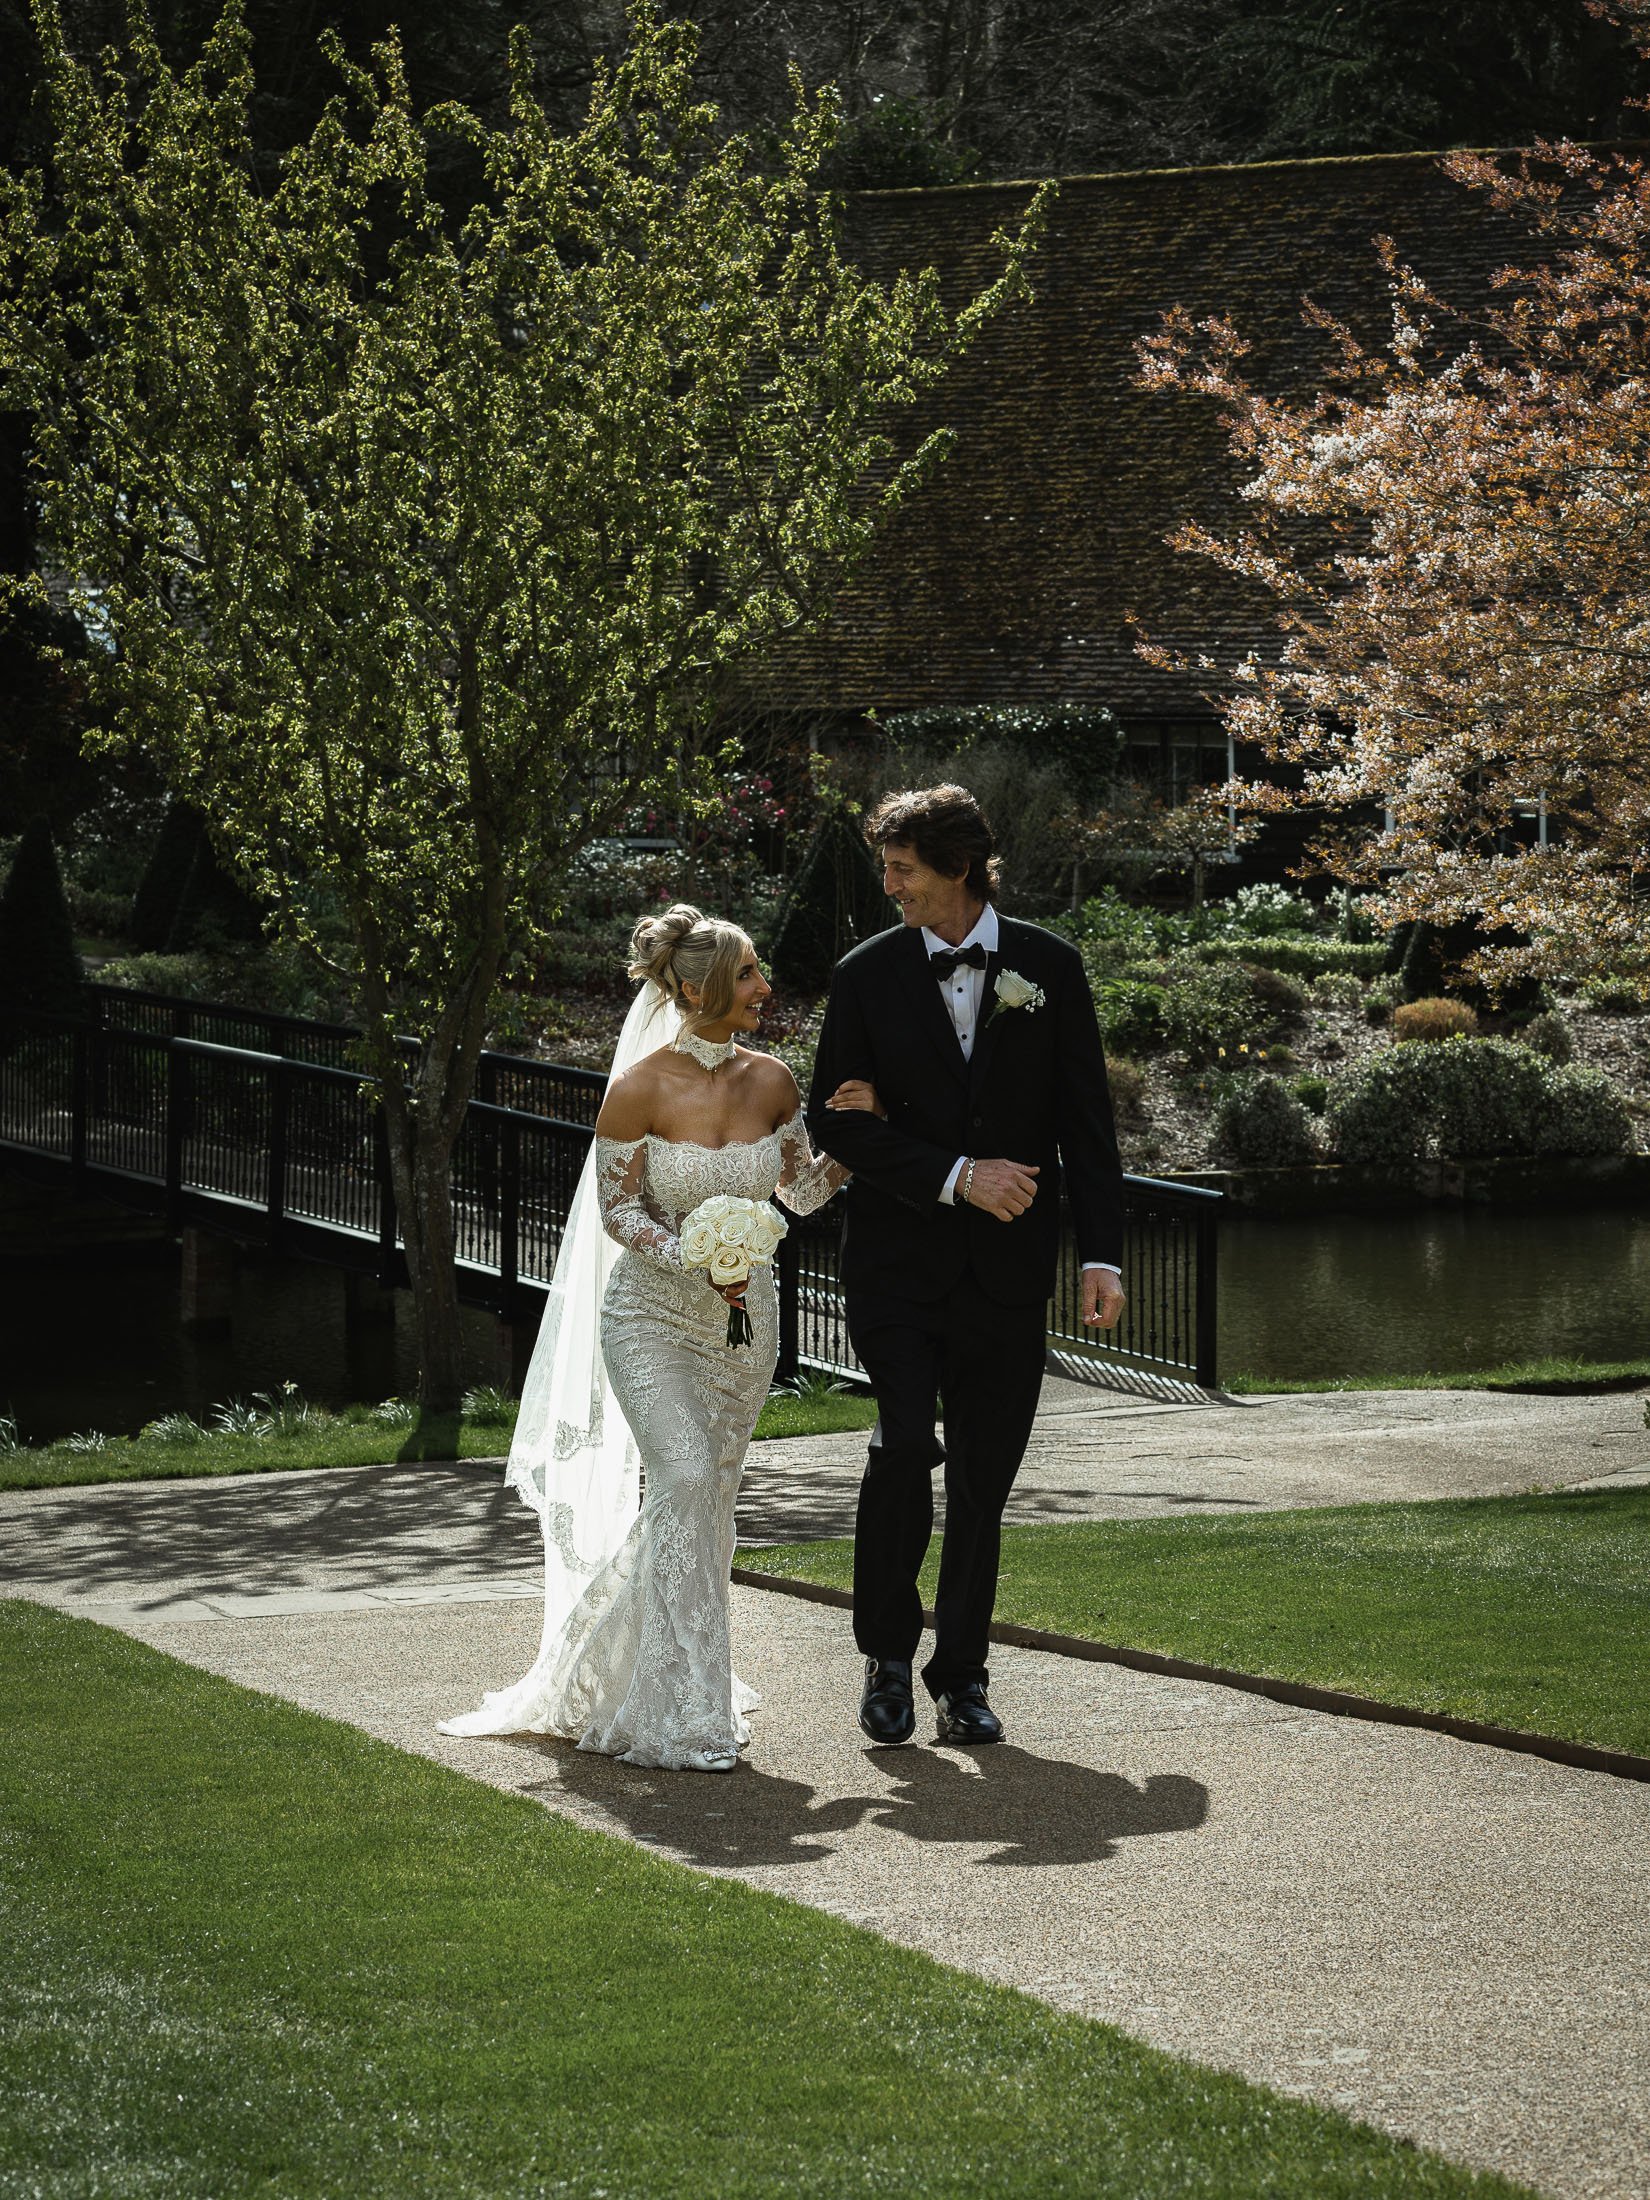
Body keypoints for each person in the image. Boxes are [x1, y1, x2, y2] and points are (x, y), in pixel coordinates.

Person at [441, 904, 878, 1774]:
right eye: (749, 973)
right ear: (695, 987)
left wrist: (859, 1133)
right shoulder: (638, 1086)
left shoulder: (776, 1081)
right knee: (679, 1477)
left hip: (745, 1327)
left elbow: (801, 1195)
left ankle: (652, 1677)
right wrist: (691, 1256)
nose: (765, 987)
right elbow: (617, 1211)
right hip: (649, 1316)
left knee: (707, 1501)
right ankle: (684, 1714)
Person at [806, 784, 1127, 1748]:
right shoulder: (864, 975)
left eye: (902, 869)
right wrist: (954, 1175)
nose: (891, 885)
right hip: (898, 1268)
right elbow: (832, 1120)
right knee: (904, 1444)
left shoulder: (1049, 968)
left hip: (1008, 1273)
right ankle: (887, 1657)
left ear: (956, 868)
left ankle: (964, 1676)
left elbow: (1087, 1126)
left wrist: (1101, 1254)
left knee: (983, 1482)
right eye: (888, 869)